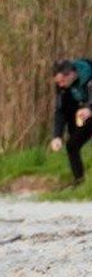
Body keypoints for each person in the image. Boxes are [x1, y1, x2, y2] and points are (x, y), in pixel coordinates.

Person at [50, 58, 92, 186]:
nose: (60, 85)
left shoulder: (89, 73)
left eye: (62, 81)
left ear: (71, 74)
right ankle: (79, 183)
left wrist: (90, 109)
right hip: (84, 113)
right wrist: (57, 136)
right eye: (58, 82)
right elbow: (61, 110)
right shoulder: (62, 86)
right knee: (72, 145)